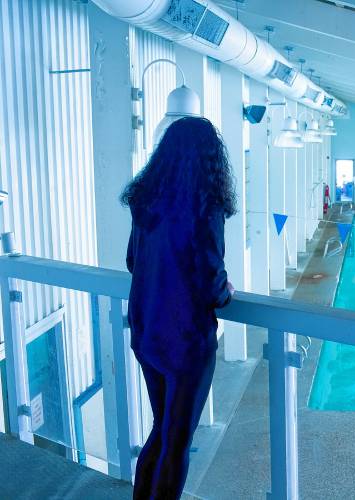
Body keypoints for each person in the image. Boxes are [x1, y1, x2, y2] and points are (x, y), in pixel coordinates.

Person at [121, 116, 237, 499]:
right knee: (177, 442)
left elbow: (131, 260)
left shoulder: (146, 201)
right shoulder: (206, 204)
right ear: (210, 160)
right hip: (185, 342)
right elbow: (210, 276)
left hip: (147, 334)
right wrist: (225, 292)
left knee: (162, 428)